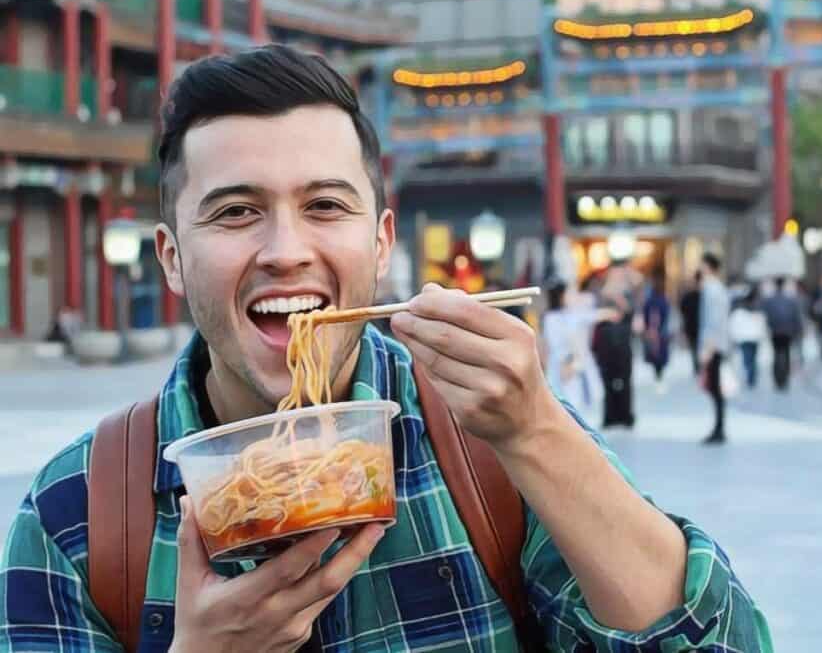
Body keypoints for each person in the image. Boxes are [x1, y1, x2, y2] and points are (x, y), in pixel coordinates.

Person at [0, 46, 772, 652]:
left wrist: (537, 431)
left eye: (324, 205)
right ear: (171, 256)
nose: (285, 249)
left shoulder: (487, 445)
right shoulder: (78, 516)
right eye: (236, 212)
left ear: (381, 243)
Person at [541, 281, 619, 413]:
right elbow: (555, 344)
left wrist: (610, 313)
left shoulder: (569, 314)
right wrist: (567, 362)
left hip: (573, 363)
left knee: (574, 402)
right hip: (563, 363)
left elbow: (592, 316)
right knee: (565, 402)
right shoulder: (551, 318)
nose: (572, 297)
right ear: (560, 296)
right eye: (569, 294)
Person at [592, 259, 643, 428]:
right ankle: (610, 416)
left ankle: (626, 416)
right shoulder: (601, 291)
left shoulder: (629, 292)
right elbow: (595, 314)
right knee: (607, 380)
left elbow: (631, 311)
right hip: (606, 342)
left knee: (625, 380)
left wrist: (619, 298)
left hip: (623, 341)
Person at [698, 253, 731, 444]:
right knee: (714, 387)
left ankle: (719, 428)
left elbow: (713, 320)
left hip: (713, 345)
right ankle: (719, 427)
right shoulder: (718, 288)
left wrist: (708, 348)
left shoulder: (712, 289)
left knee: (715, 387)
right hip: (717, 344)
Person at [762, 278, 803, 391]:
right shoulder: (790, 300)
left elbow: (765, 315)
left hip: (775, 331)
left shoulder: (769, 300)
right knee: (786, 354)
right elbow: (796, 317)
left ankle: (778, 379)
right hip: (787, 331)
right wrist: (798, 330)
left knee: (776, 355)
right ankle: (784, 378)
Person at [729, 287, 768, 389]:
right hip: (752, 337)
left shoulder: (742, 309)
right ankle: (752, 376)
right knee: (751, 358)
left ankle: (751, 376)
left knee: (748, 358)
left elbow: (735, 323)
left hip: (747, 337)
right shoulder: (756, 308)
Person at [642, 270, 672, 393]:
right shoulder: (663, 300)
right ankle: (659, 375)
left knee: (656, 353)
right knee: (659, 354)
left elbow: (647, 315)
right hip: (660, 331)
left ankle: (658, 375)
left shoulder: (651, 301)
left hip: (654, 330)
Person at [678, 272, 702, 375]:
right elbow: (683, 312)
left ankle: (699, 367)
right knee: (695, 349)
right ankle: (697, 367)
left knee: (697, 349)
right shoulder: (688, 297)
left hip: (698, 327)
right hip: (692, 328)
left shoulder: (705, 295)